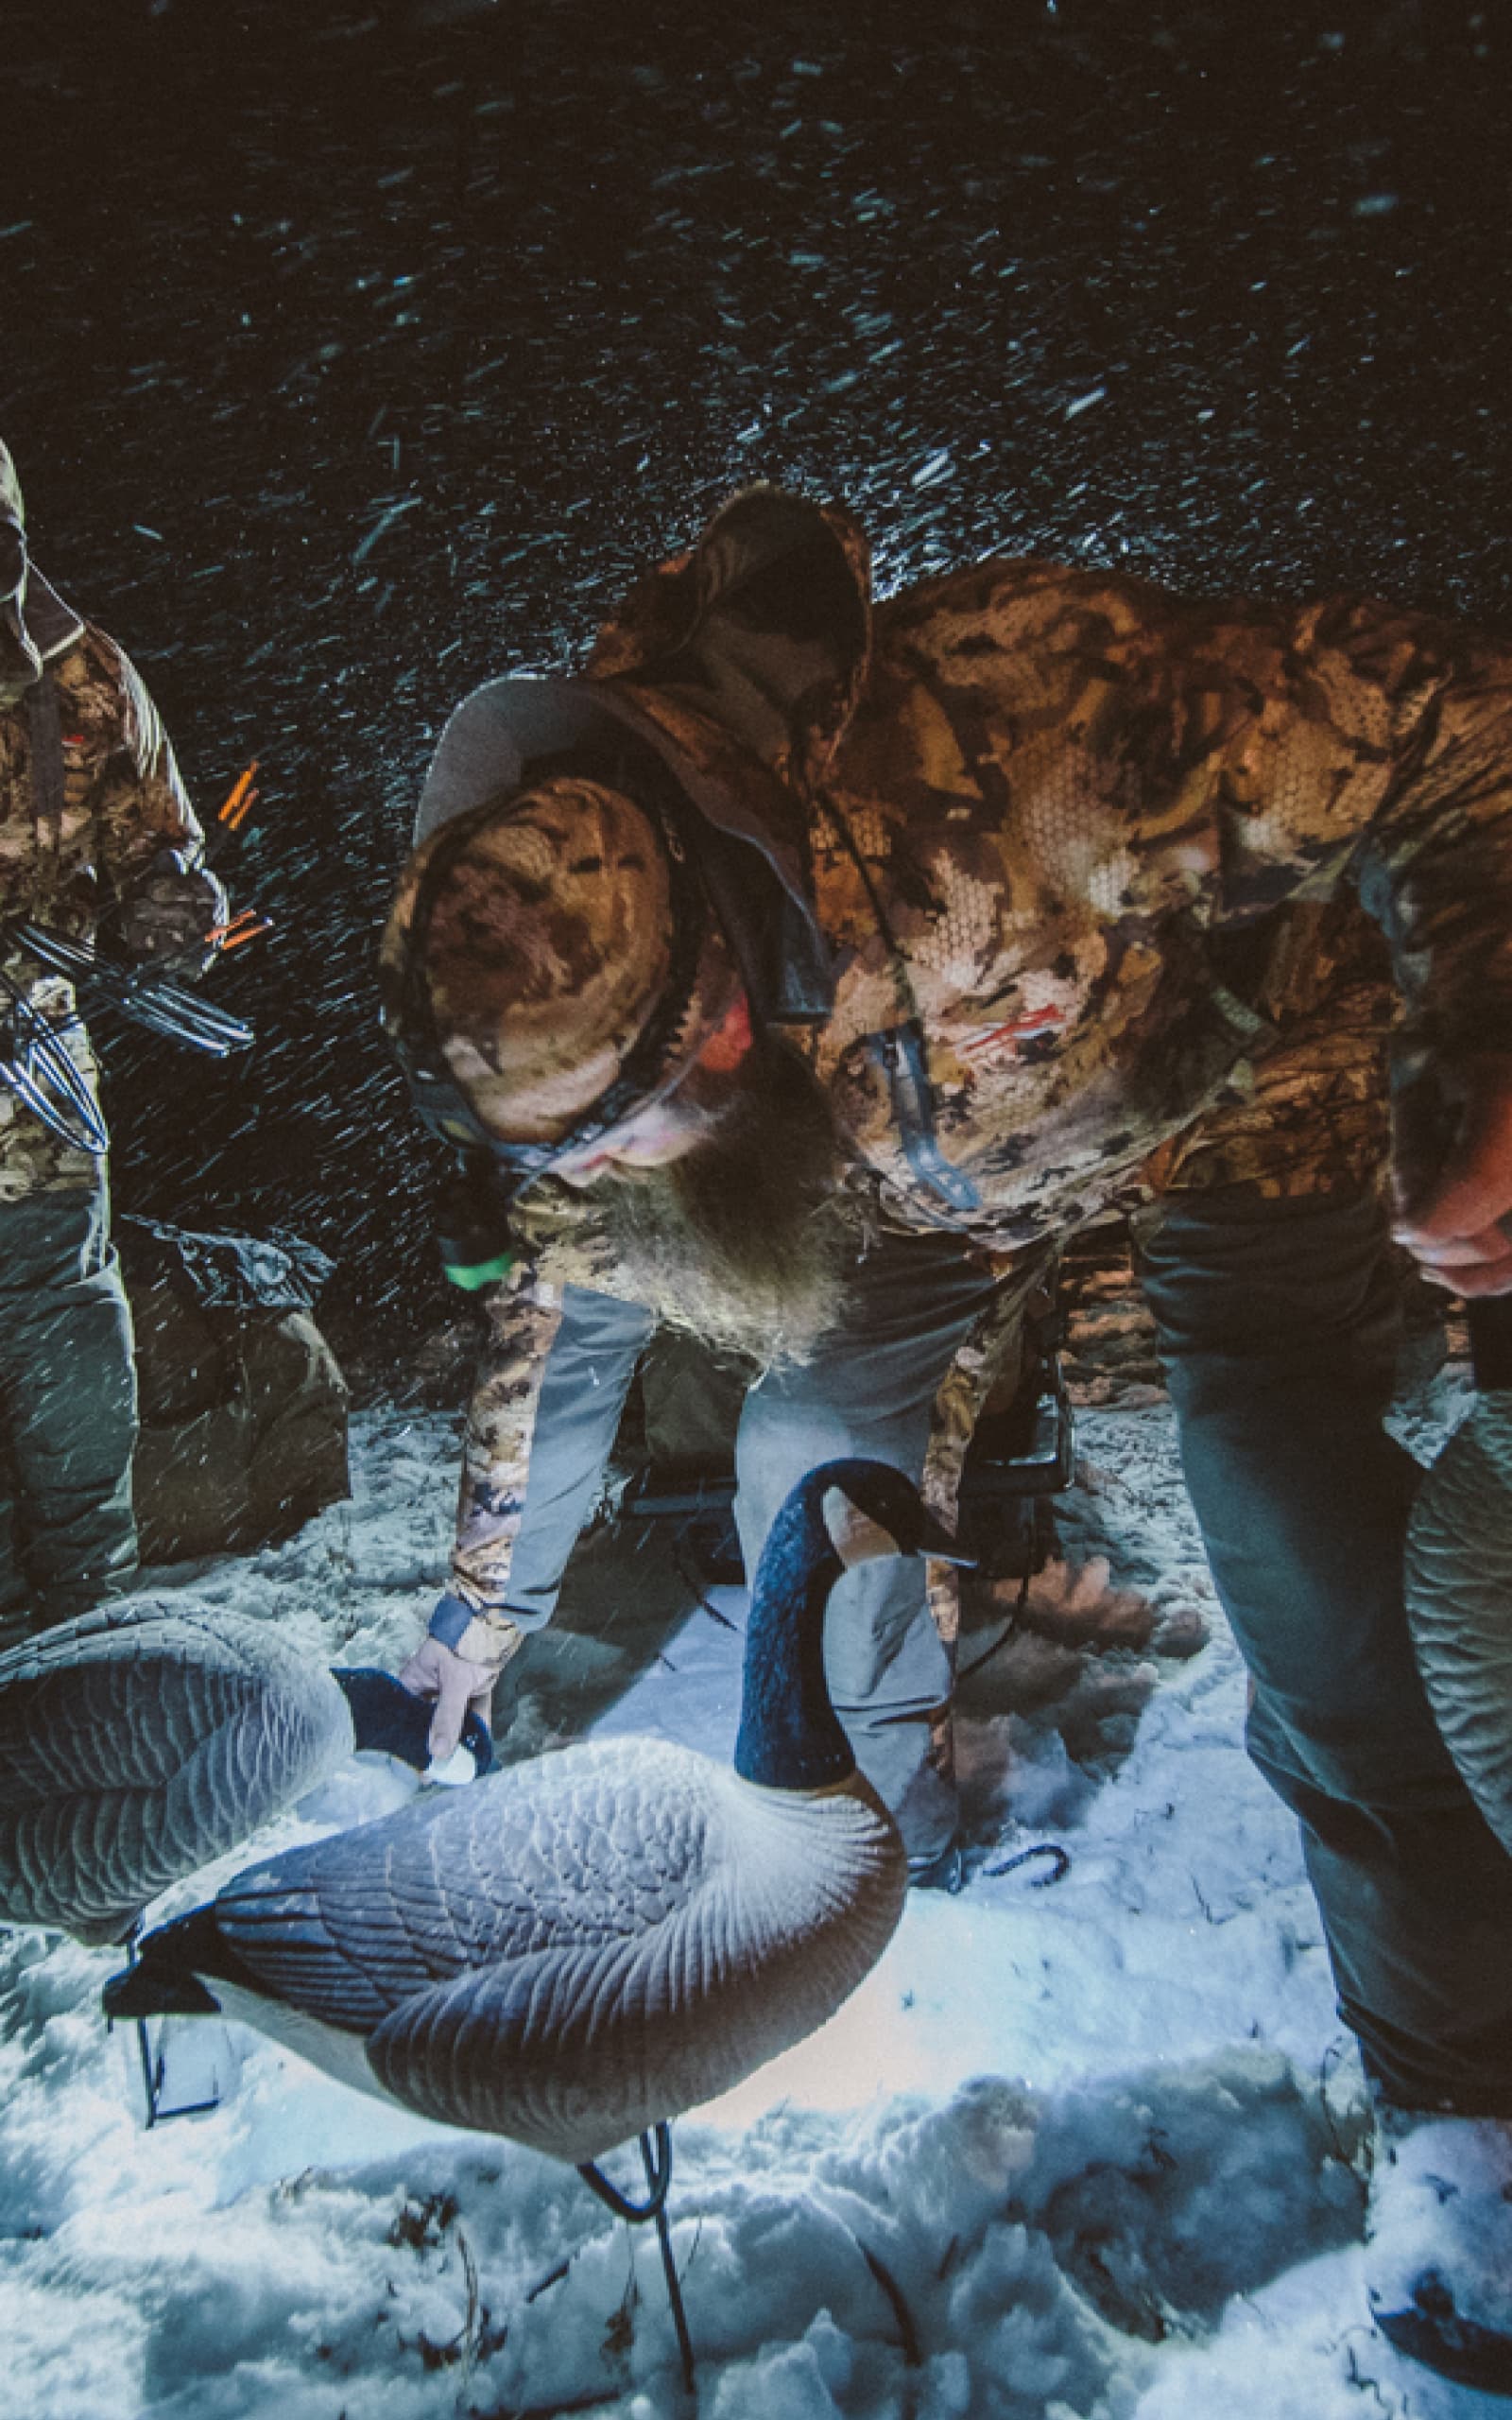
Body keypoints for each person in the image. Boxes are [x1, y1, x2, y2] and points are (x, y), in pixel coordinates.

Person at [381, 483, 1512, 2388]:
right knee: (804, 1447)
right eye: (579, 1160)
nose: (613, 1181)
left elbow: (1452, 729)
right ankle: (865, 1845)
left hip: (1251, 1073)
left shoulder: (1025, 738)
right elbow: (552, 1333)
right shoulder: (559, 1015)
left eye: (635, 1127)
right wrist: (468, 1625)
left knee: (1286, 1515)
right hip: (929, 1197)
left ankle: (1463, 2102)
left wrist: (1479, 1038)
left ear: (721, 1010)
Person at [0, 439, 224, 1646]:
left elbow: (161, 853)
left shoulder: (85, 679)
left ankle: (94, 1647)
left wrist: (172, 910)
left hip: (34, 1100)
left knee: (70, 1366)